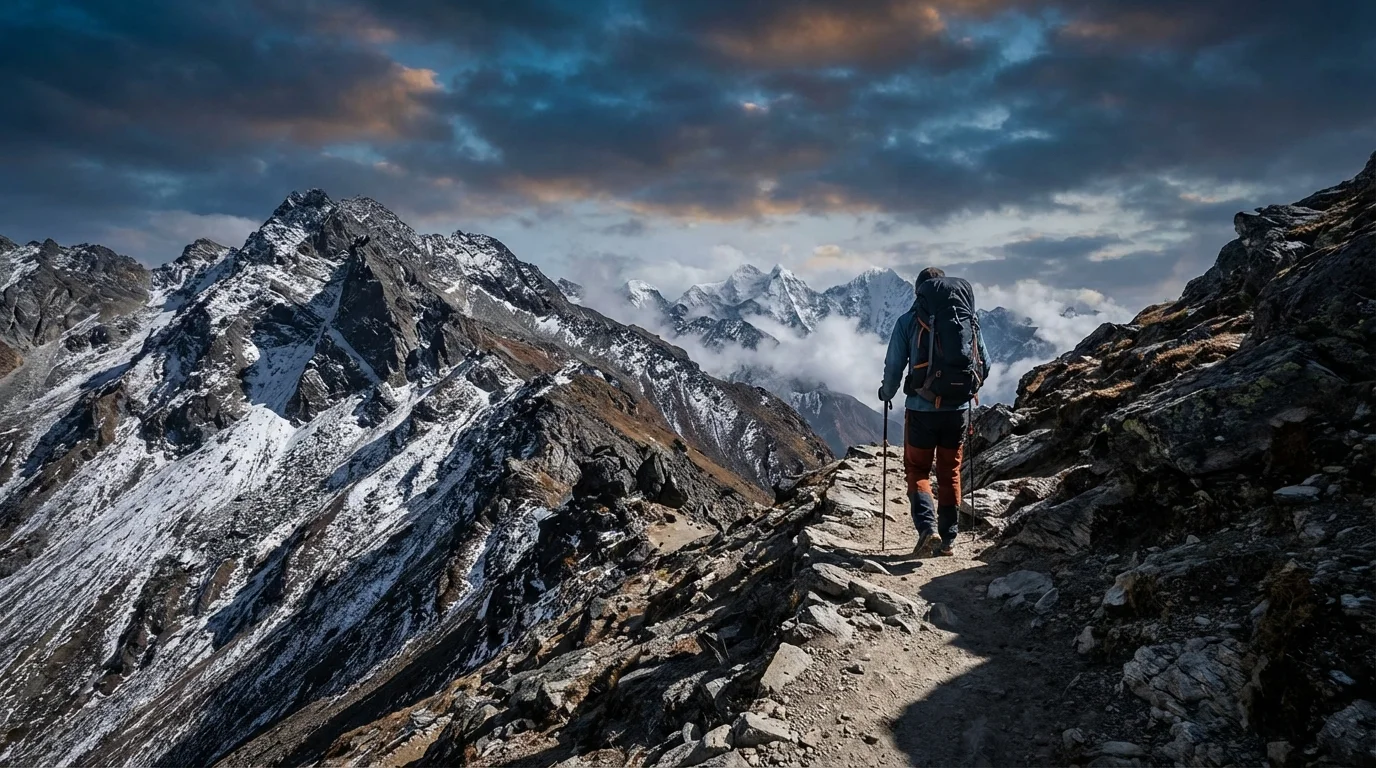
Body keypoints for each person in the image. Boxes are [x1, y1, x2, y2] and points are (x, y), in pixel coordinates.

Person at [878, 267, 990, 557]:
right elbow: (984, 365)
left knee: (917, 469)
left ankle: (927, 530)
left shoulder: (908, 322)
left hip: (920, 411)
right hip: (957, 412)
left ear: (919, 292)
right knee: (950, 472)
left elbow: (893, 367)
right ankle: (949, 539)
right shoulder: (967, 320)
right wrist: (961, 389)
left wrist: (886, 393)